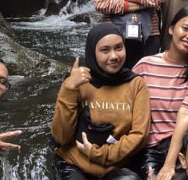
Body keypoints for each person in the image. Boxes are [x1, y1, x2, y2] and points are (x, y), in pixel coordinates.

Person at [51, 23, 150, 180]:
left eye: (118, 48)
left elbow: (139, 135)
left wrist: (98, 154)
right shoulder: (77, 82)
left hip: (115, 165)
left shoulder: (136, 84)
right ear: (92, 53)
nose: (114, 56)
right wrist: (68, 88)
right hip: (75, 163)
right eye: (105, 50)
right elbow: (61, 138)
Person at [133, 8, 188, 180]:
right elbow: (125, 102)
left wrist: (170, 164)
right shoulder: (145, 65)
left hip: (187, 148)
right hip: (149, 149)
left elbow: (186, 113)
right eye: (185, 28)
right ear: (171, 29)